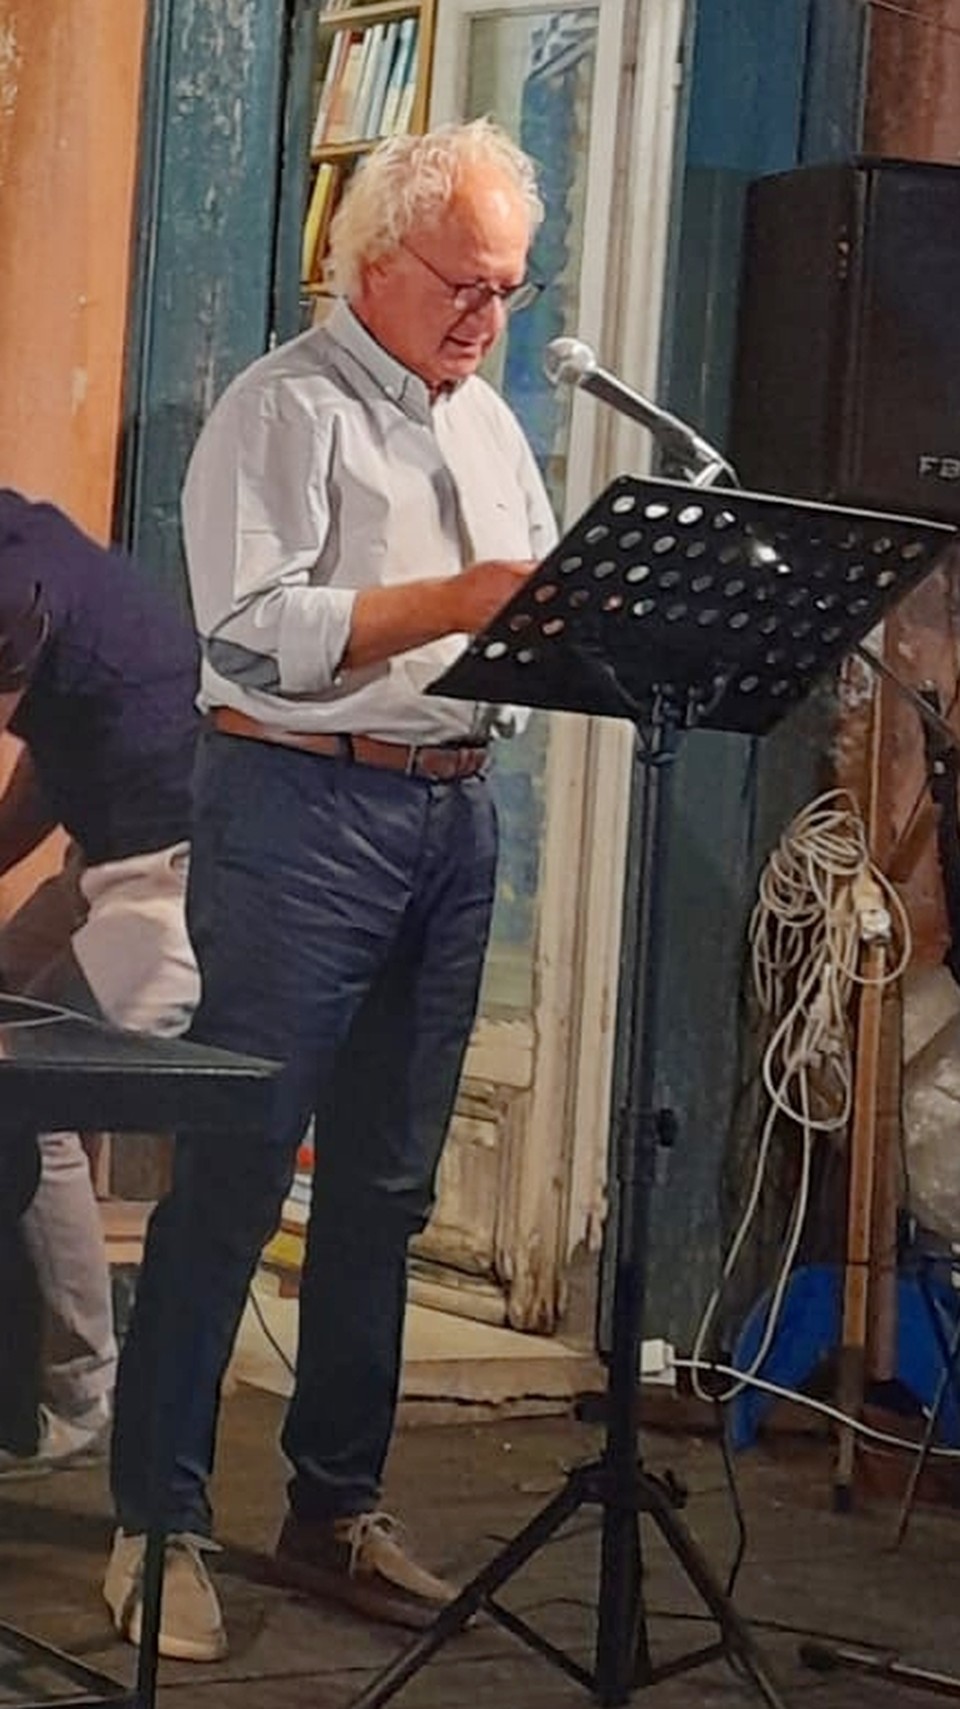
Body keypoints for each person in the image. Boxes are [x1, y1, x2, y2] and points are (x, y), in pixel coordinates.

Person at [103, 116, 557, 1664]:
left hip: (452, 810)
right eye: (464, 281)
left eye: (508, 288)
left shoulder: (491, 430)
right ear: (374, 259)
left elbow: (519, 612)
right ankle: (158, 1522)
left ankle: (335, 1506)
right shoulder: (283, 406)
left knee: (385, 1189)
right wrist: (457, 600)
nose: (487, 316)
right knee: (238, 1171)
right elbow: (249, 629)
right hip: (301, 808)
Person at [0, 490, 201, 1474]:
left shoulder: (17, 576)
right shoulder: (33, 544)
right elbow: (53, 753)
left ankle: (77, 1394)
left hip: (172, 886)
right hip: (103, 862)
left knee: (27, 1093)